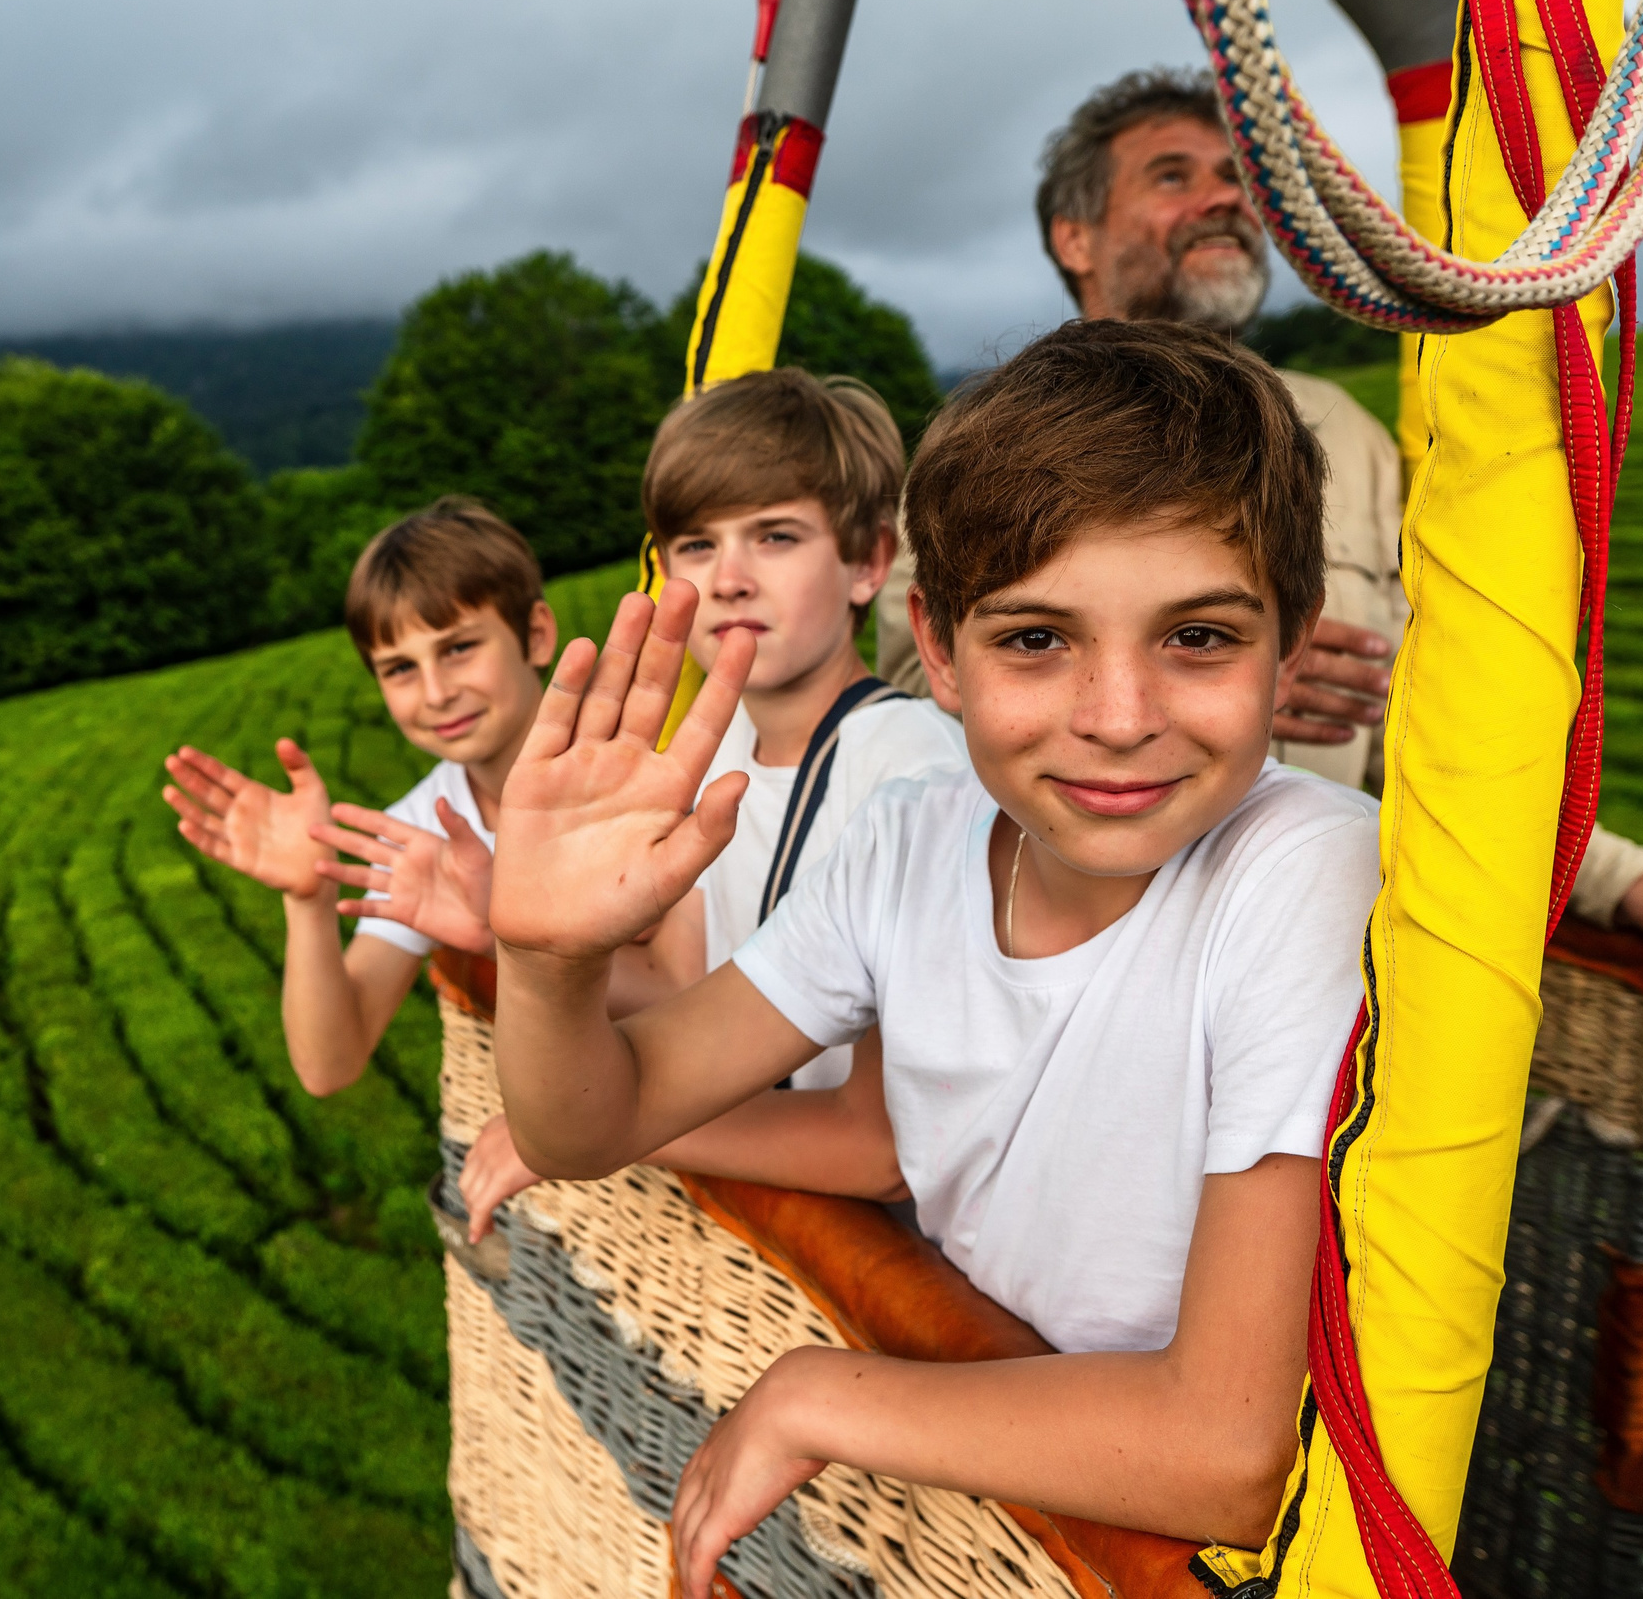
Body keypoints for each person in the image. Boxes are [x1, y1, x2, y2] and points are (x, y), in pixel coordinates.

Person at [489, 323, 1372, 1588]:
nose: (1117, 719)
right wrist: (545, 960)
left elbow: (1230, 1447)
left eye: (1196, 638)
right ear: (940, 652)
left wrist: (819, 1395)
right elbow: (595, 1117)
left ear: (1290, 644)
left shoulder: (1303, 874)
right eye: (1034, 640)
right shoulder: (912, 841)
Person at [873, 67, 1643, 954]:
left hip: (1311, 943)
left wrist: (1632, 885)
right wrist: (1223, 679)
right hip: (1050, 937)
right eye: (1173, 175)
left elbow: (1427, 721)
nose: (1223, 197)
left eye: (1238, 176)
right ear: (1074, 238)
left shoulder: (1344, 432)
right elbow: (910, 700)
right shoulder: (985, 443)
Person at [457, 368, 964, 1240]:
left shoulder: (912, 773)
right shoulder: (717, 747)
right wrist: (512, 929)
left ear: (868, 562)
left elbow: (886, 1150)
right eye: (696, 545)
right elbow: (685, 983)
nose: (728, 579)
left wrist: (613, 1131)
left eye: (774, 536)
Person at [162, 496, 554, 1096]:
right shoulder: (417, 830)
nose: (435, 692)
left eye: (458, 649)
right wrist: (309, 898)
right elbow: (329, 1066)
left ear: (536, 635)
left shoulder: (635, 763)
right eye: (399, 669)